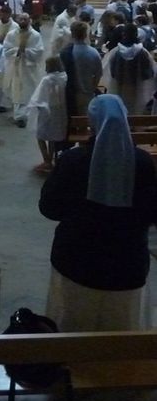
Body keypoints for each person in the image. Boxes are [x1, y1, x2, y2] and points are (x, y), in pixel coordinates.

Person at [39, 94, 157, 331]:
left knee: (70, 334)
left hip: (75, 261)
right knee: (119, 344)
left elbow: (49, 208)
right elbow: (152, 213)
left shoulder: (73, 160)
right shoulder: (143, 163)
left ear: (92, 123)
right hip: (127, 265)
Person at [2, 13, 44, 127]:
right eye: (21, 19)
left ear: (29, 20)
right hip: (15, 66)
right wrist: (18, 50)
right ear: (17, 20)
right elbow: (6, 49)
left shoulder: (35, 35)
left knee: (27, 90)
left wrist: (25, 51)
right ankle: (19, 116)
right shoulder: (11, 34)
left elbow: (39, 51)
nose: (23, 21)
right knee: (16, 91)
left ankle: (27, 115)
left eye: (25, 19)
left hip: (28, 68)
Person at [103, 22, 155, 115]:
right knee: (135, 111)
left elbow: (111, 72)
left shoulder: (116, 52)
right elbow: (149, 74)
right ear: (136, 34)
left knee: (120, 109)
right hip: (137, 88)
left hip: (120, 87)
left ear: (124, 34)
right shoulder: (143, 52)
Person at [27, 57, 67, 173]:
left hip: (47, 111)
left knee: (41, 136)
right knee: (53, 137)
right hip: (60, 110)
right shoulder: (64, 77)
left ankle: (46, 160)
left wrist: (34, 106)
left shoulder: (47, 79)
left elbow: (39, 97)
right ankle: (51, 158)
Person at [60, 21, 102, 116]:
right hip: (87, 92)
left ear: (72, 33)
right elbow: (98, 74)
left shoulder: (65, 52)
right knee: (85, 121)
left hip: (69, 92)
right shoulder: (93, 53)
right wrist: (92, 88)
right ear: (85, 34)